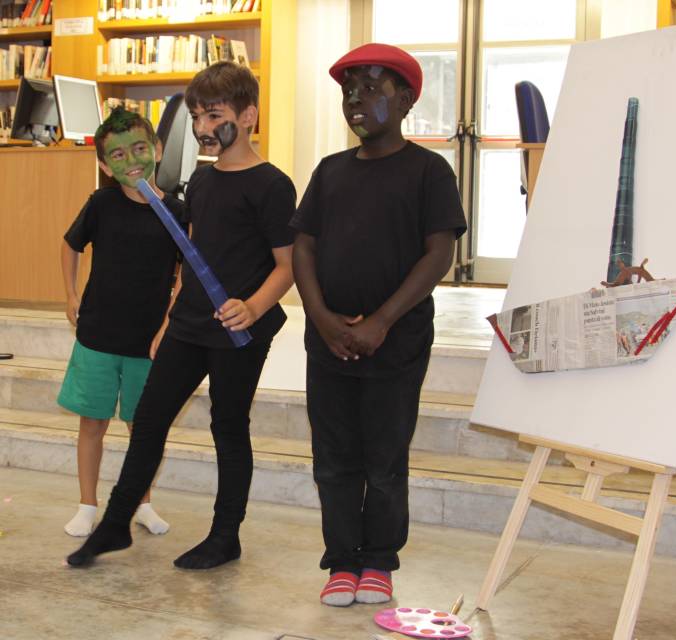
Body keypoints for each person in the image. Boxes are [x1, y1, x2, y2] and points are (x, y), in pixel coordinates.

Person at [66, 61, 296, 570]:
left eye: (214, 116)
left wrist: (253, 306)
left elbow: (288, 265)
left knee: (228, 427)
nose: (202, 128)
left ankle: (225, 536)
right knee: (149, 419)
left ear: (248, 116)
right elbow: (193, 257)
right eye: (195, 117)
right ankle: (115, 525)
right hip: (189, 323)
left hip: (239, 331)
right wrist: (171, 318)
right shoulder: (203, 182)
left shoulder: (272, 185)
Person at [290, 43, 467, 606]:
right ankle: (342, 560)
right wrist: (321, 318)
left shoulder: (429, 171)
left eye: (371, 89)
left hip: (397, 343)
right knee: (333, 457)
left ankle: (379, 562)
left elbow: (438, 254)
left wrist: (383, 321)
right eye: (349, 91)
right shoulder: (330, 172)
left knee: (385, 458)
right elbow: (303, 247)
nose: (355, 100)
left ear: (407, 99)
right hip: (329, 343)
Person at [58, 107, 183, 538]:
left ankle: (141, 503)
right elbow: (70, 245)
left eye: (139, 148)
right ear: (104, 165)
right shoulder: (102, 204)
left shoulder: (177, 211)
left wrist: (168, 323)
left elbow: (187, 273)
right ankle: (87, 504)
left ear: (157, 149)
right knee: (92, 422)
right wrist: (71, 294)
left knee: (142, 427)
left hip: (147, 343)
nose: (131, 160)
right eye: (117, 154)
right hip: (97, 336)